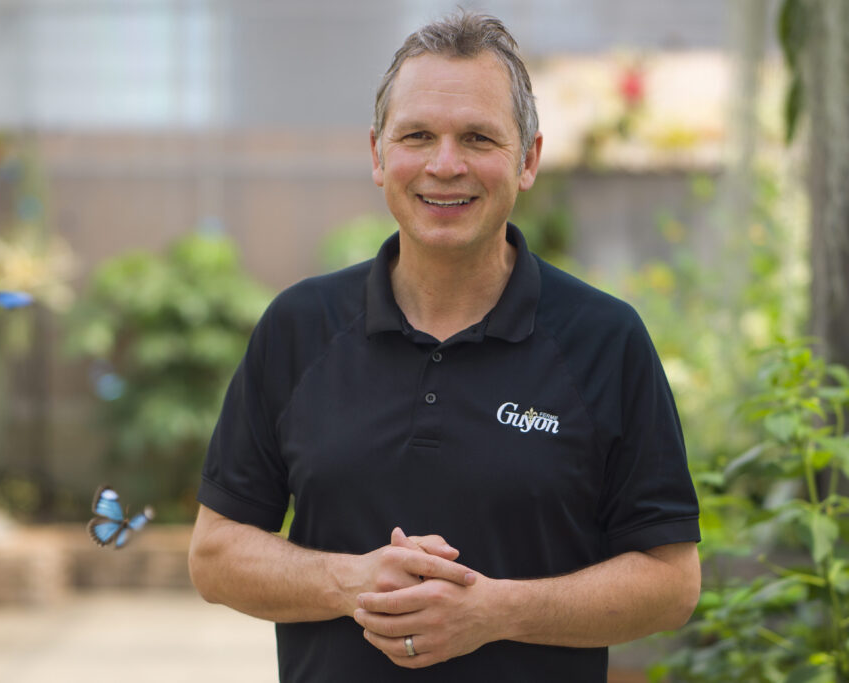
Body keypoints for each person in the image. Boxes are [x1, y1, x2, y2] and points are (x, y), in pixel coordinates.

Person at [188, 10, 700, 681]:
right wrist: (351, 581)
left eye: (478, 138)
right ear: (378, 155)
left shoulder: (605, 340)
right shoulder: (299, 327)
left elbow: (671, 581)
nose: (445, 164)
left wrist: (498, 612)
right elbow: (215, 554)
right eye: (418, 135)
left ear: (528, 159)